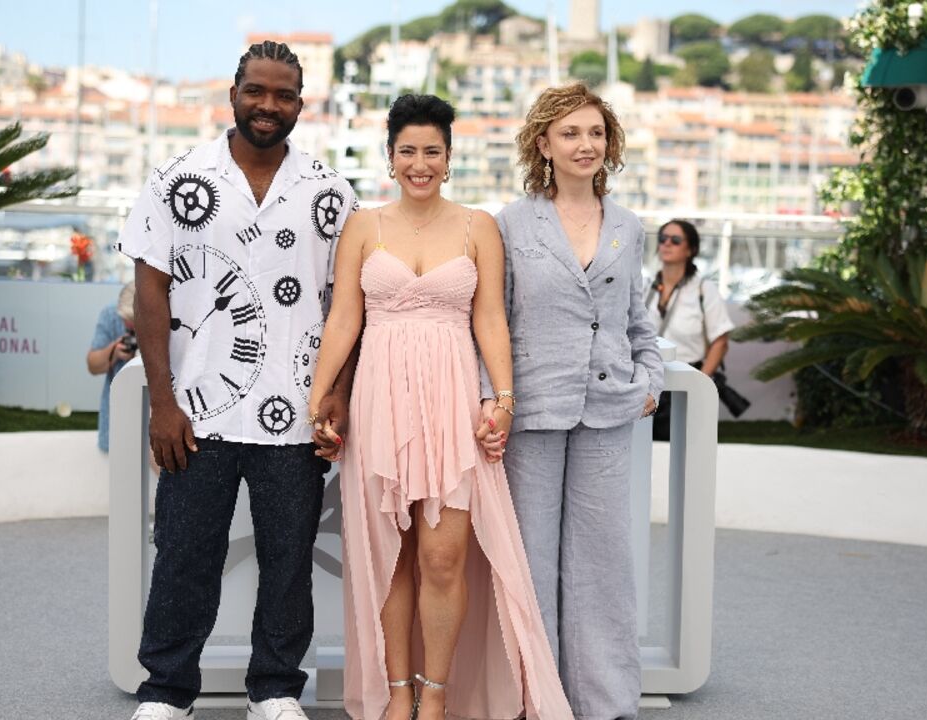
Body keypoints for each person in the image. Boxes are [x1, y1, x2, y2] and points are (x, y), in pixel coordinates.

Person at [307, 94, 572, 720]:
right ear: (390, 157)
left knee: (443, 555)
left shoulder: (478, 225)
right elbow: (345, 316)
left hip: (452, 399)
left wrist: (503, 399)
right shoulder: (363, 226)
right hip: (380, 399)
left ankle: (436, 694)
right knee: (387, 553)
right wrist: (319, 397)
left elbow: (492, 321)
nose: (419, 163)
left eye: (432, 151)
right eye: (408, 151)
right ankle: (397, 692)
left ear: (448, 159)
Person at [116, 40, 358, 720]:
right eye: (257, 91)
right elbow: (151, 293)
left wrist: (336, 392)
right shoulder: (177, 180)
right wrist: (162, 401)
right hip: (196, 412)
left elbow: (347, 303)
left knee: (288, 563)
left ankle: (276, 690)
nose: (268, 105)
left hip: (296, 407)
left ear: (300, 106)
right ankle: (166, 692)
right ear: (233, 93)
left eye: (283, 95)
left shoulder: (329, 193)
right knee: (184, 557)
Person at [483, 82, 665, 720]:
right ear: (544, 144)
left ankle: (605, 702)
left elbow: (637, 317)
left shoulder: (629, 226)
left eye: (596, 133)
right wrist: (491, 396)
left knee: (601, 561)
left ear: (609, 142)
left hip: (611, 406)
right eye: (571, 133)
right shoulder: (511, 221)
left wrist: (650, 379)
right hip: (531, 408)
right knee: (530, 559)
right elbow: (493, 319)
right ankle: (536, 699)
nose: (586, 145)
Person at [646, 219, 742, 441]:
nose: (667, 244)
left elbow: (720, 340)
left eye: (676, 240)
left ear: (691, 249)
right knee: (643, 450)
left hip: (685, 380)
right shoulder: (645, 286)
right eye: (662, 238)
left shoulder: (703, 289)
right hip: (648, 379)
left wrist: (700, 383)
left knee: (683, 451)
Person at [87, 282, 137, 452]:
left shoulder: (169, 317)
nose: (131, 328)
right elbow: (93, 366)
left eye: (136, 322)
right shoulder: (110, 314)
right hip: (116, 414)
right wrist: (114, 351)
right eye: (127, 322)